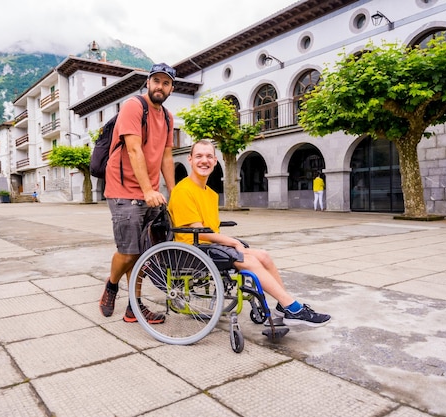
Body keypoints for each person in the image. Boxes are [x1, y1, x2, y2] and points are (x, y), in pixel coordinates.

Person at [168, 140, 330, 327]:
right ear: (190, 159)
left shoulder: (210, 193)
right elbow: (198, 230)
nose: (204, 161)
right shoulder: (183, 190)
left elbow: (210, 229)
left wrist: (228, 242)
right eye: (199, 156)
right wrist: (231, 242)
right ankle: (294, 308)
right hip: (191, 250)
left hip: (208, 246)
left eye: (209, 156)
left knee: (264, 256)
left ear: (215, 160)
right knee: (249, 260)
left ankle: (284, 307)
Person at [99, 63, 177, 324]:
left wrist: (173, 191)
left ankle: (134, 306)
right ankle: (112, 285)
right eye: (156, 81)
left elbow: (166, 156)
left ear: (171, 89)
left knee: (144, 253)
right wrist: (147, 190)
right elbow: (133, 150)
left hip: (150, 192)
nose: (160, 86)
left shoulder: (167, 117)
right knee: (129, 250)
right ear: (148, 83)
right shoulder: (134, 106)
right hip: (123, 189)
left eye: (166, 83)